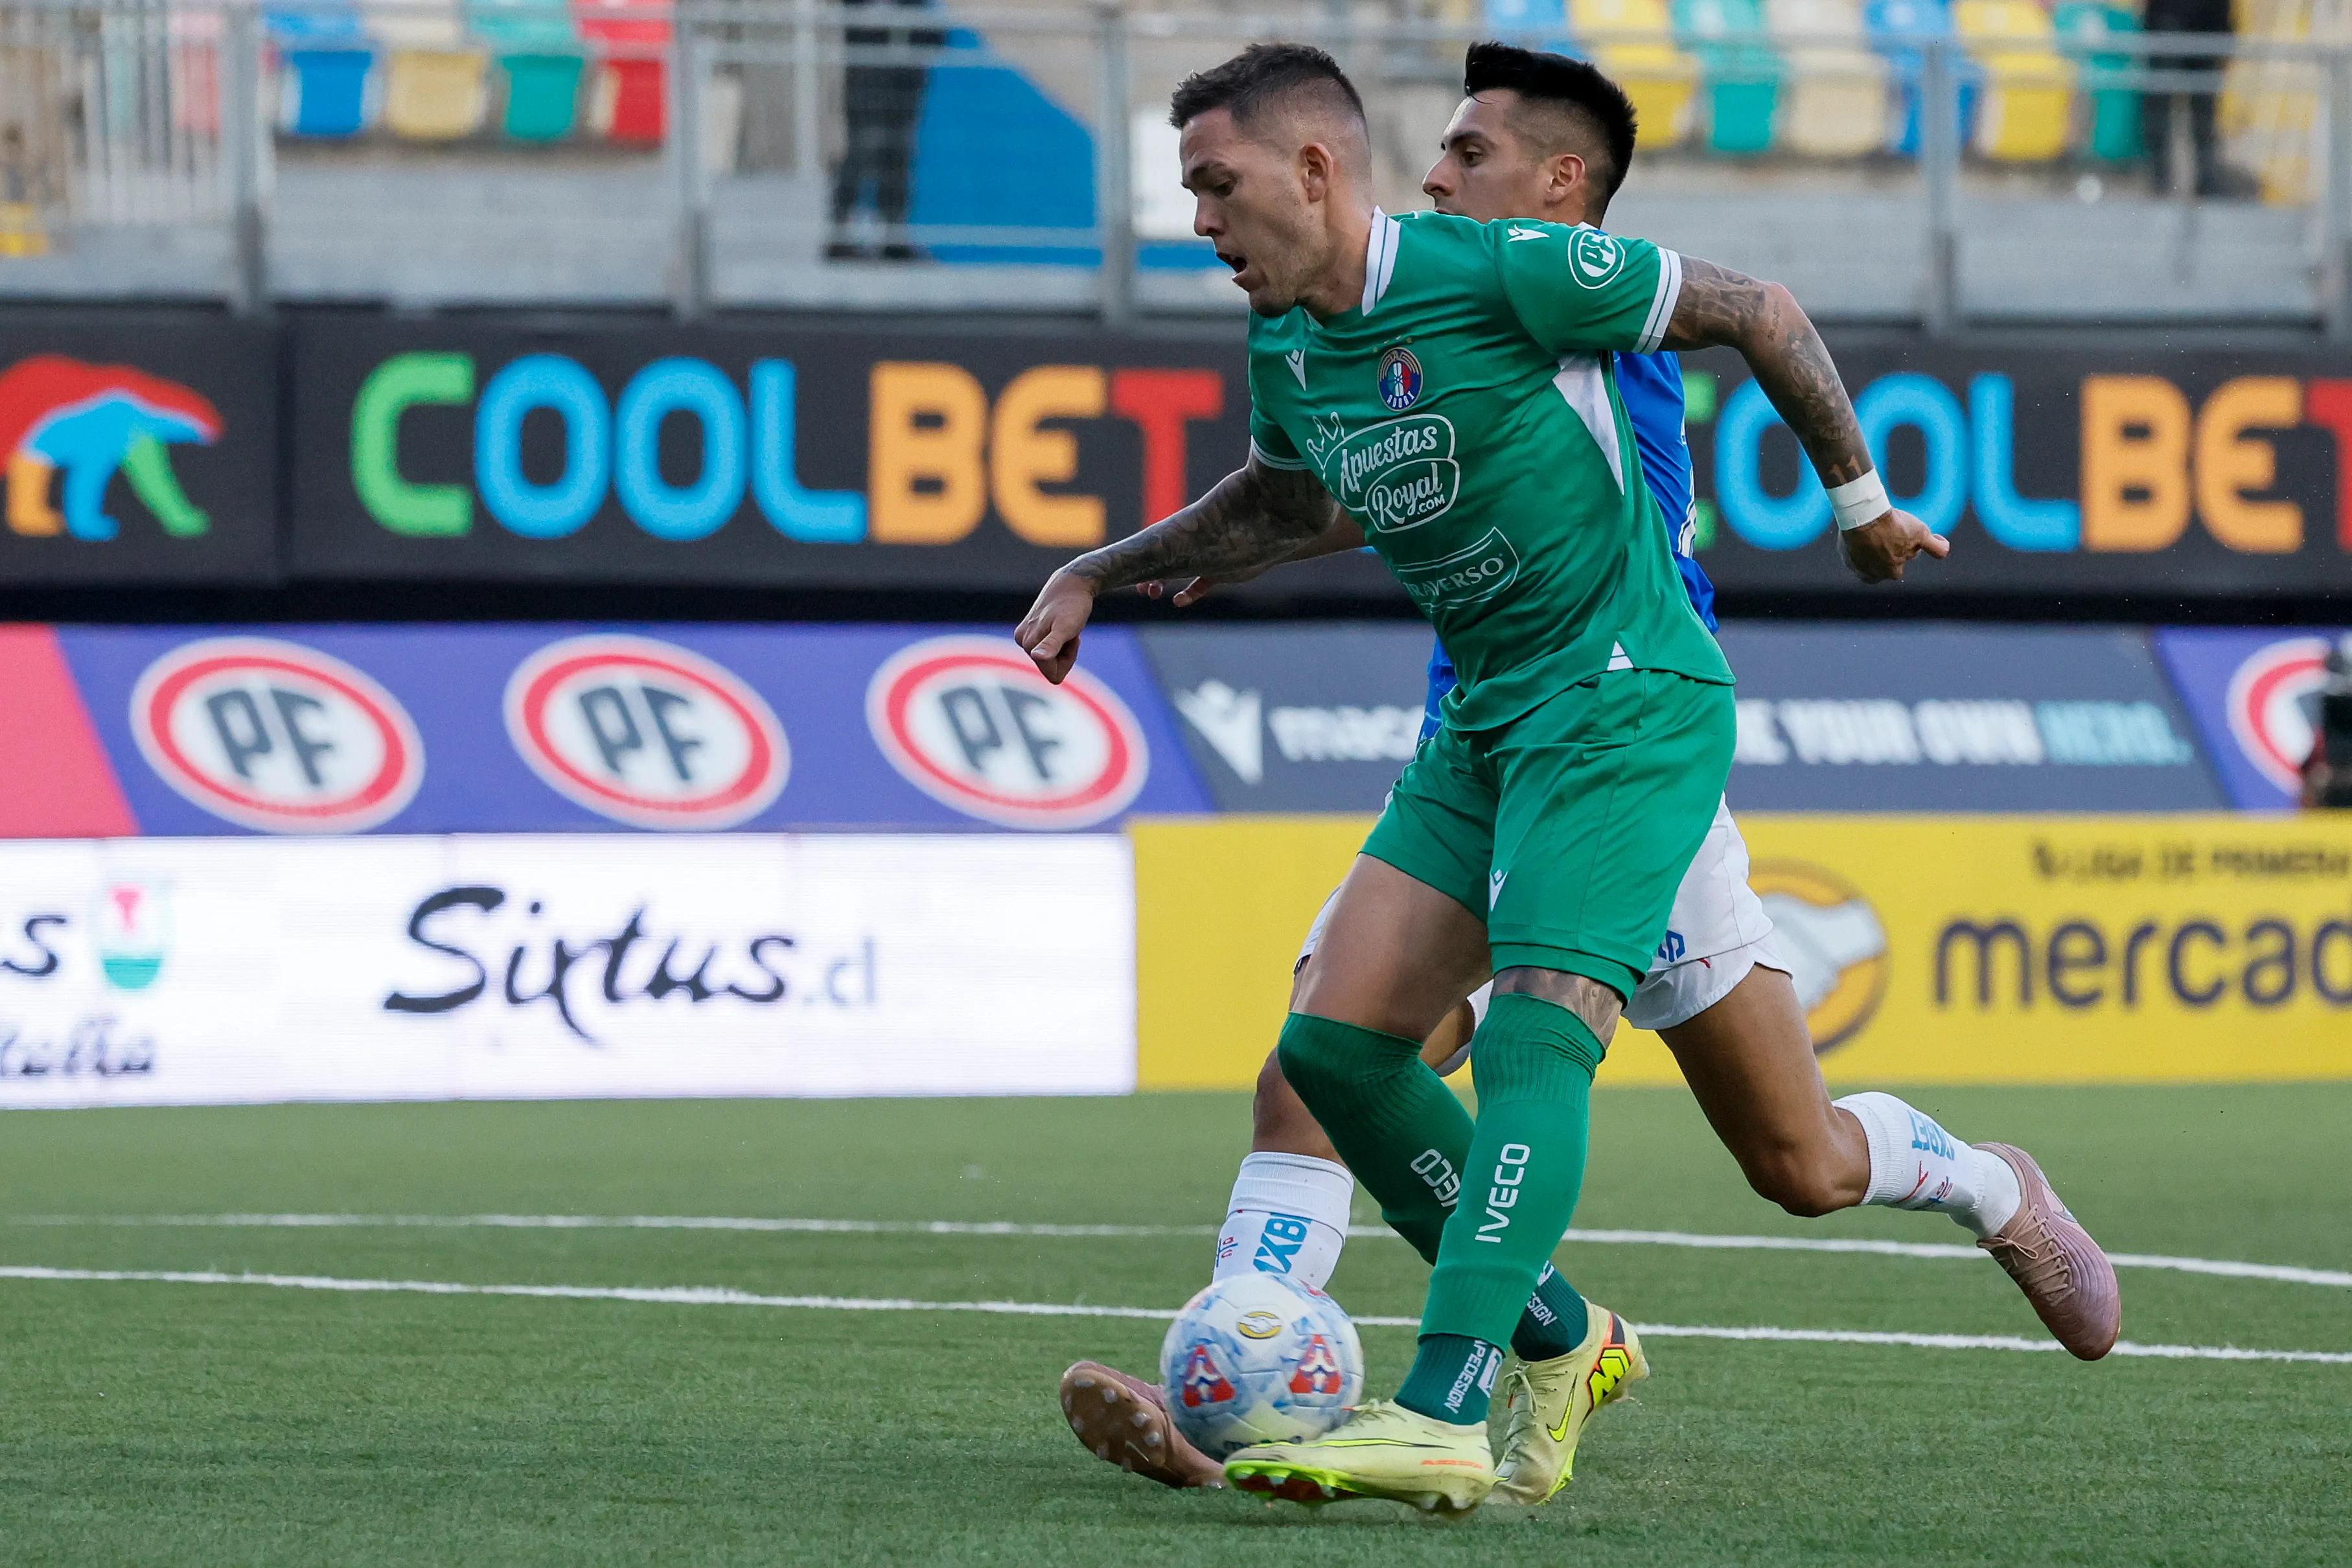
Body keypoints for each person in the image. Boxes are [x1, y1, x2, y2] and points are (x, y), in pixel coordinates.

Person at [1054, 41, 2123, 1508]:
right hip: (1497, 732)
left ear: (1558, 187)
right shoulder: (1302, 341)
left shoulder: (1537, 274)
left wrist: (1860, 505)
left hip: (1621, 723)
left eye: (1467, 150)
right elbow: (1299, 494)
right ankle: (1422, 1351)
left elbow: (1752, 308)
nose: (1437, 171)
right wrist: (1112, 569)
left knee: (1757, 1143)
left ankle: (1972, 1191)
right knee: (1320, 1055)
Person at [825, 0, 941, 260]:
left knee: (899, 152)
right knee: (863, 149)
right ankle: (839, 235)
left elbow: (929, 27)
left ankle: (894, 237)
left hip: (906, 74)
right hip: (868, 70)